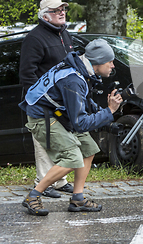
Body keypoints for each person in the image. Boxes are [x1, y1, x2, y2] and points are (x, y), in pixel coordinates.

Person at [19, 39, 123, 216]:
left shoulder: (80, 69)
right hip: (41, 117)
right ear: (97, 61)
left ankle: (78, 198)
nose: (113, 66)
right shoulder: (73, 79)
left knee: (88, 149)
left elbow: (83, 102)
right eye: (110, 61)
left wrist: (106, 114)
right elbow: (80, 123)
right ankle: (33, 195)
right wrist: (109, 111)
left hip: (58, 113)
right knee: (72, 157)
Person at [19, 0, 75, 199]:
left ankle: (59, 181)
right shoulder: (34, 38)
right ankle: (43, 181)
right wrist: (41, 96)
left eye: (63, 9)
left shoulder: (65, 34)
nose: (62, 12)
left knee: (61, 139)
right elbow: (27, 74)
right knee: (44, 142)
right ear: (45, 16)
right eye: (56, 10)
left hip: (62, 99)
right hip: (41, 101)